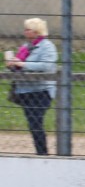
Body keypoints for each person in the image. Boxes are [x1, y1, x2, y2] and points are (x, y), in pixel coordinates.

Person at [6, 17, 58, 156]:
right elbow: (20, 69)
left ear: (36, 31)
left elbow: (46, 65)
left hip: (41, 91)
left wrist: (23, 64)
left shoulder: (47, 46)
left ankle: (42, 153)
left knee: (36, 122)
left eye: (28, 29)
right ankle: (40, 152)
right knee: (32, 124)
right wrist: (13, 64)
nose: (25, 32)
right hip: (25, 91)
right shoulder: (26, 47)